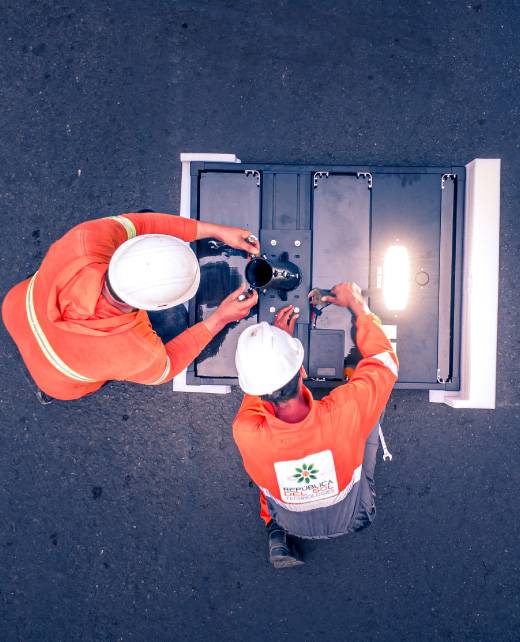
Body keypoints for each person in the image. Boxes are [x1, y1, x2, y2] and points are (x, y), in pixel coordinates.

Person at [2, 211, 259, 402]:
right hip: (57, 380)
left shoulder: (85, 240)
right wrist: (220, 318)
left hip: (17, 306)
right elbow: (167, 366)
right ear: (159, 305)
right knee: (175, 325)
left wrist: (216, 230)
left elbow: (140, 224)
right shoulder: (136, 350)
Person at [232, 283, 398, 568]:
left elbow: (258, 393)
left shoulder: (246, 431)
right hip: (355, 515)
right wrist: (358, 305)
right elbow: (384, 362)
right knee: (372, 402)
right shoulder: (347, 410)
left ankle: (276, 532)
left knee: (265, 464)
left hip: (290, 522)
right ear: (302, 371)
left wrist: (273, 352)